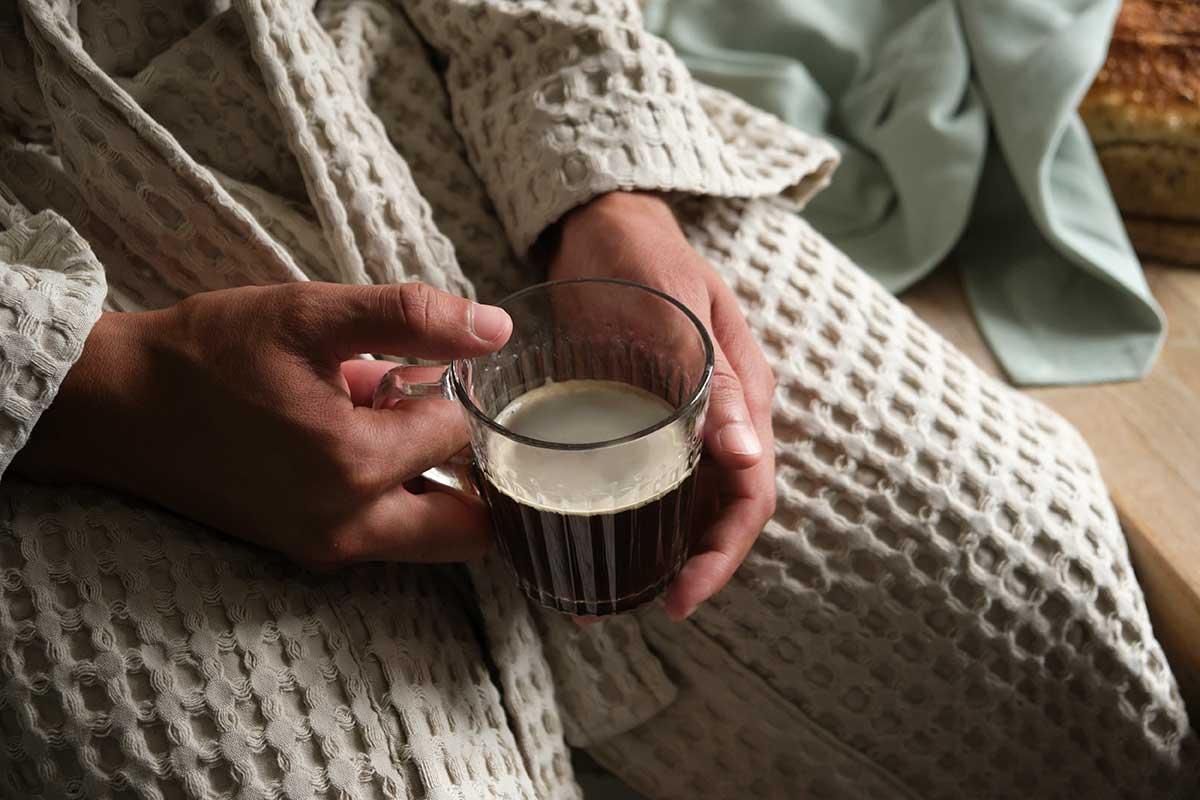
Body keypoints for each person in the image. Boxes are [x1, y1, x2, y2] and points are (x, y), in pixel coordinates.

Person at [0, 1, 1194, 798]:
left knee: (1017, 557)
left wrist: (605, 185)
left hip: (426, 95)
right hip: (52, 313)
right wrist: (102, 388)